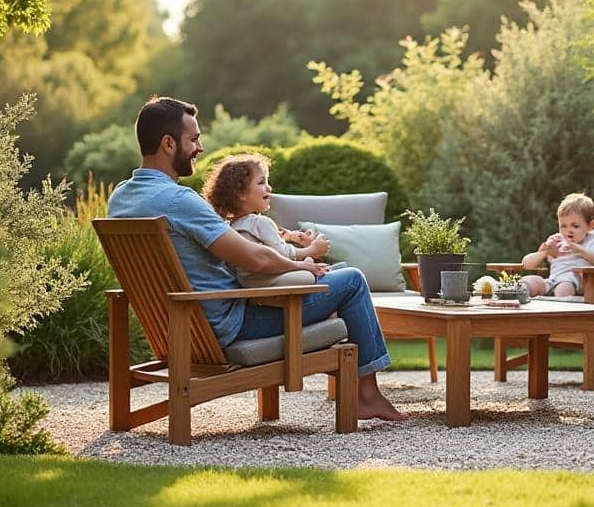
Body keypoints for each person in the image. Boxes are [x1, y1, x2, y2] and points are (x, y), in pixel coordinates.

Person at [107, 96, 407, 421]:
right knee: (352, 280)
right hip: (230, 327)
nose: (200, 147)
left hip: (177, 328)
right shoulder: (180, 200)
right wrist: (299, 263)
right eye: (193, 139)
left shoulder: (121, 198)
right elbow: (256, 261)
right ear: (168, 143)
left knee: (339, 272)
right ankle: (366, 395)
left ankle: (355, 376)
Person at [200, 152, 331, 288]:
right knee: (308, 276)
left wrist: (290, 237)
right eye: (261, 182)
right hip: (268, 281)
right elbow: (283, 254)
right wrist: (312, 250)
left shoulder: (230, 226)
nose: (269, 187)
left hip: (248, 284)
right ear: (241, 194)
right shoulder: (260, 222)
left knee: (336, 269)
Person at [520, 193, 594, 298]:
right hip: (552, 280)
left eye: (575, 226)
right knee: (527, 282)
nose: (568, 231)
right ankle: (516, 303)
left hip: (577, 284)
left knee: (563, 288)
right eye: (563, 226)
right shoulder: (557, 240)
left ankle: (559, 310)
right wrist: (545, 252)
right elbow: (526, 265)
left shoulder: (593, 242)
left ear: (591, 226)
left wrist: (582, 252)